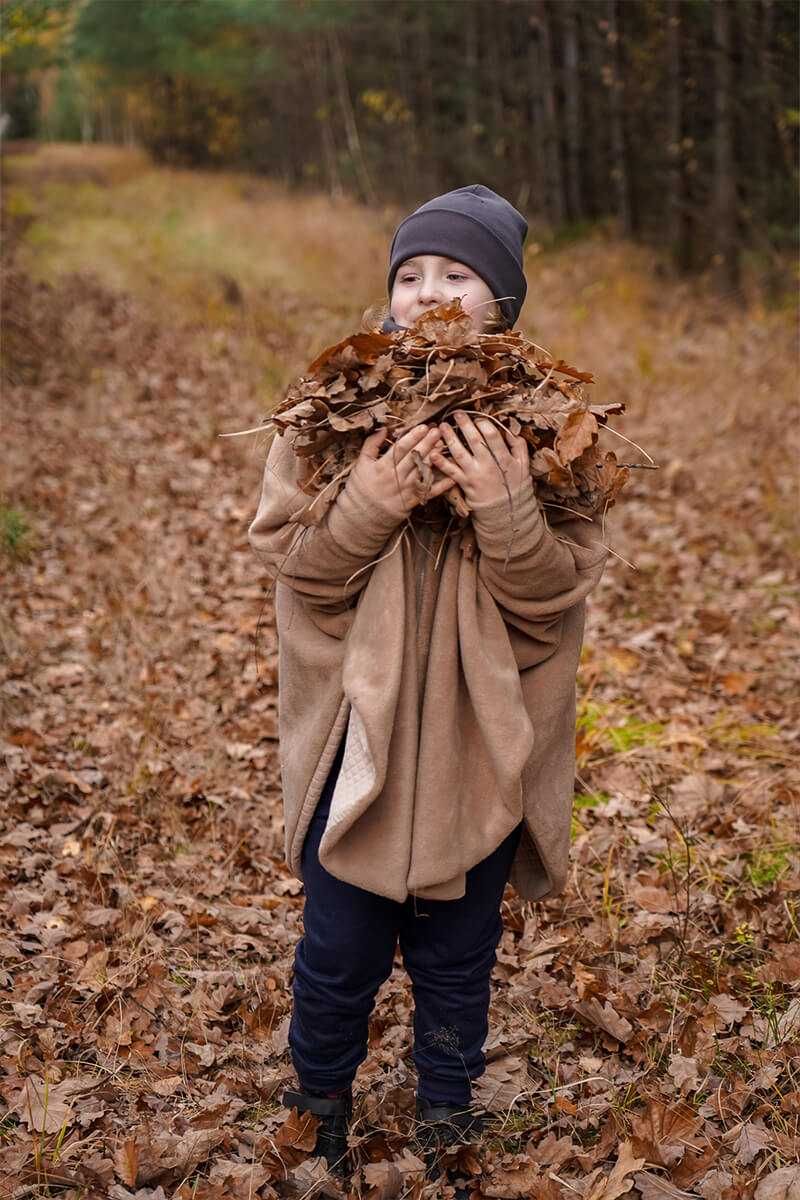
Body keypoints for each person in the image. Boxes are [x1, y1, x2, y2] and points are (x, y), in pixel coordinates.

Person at [247, 185, 609, 1182]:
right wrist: (370, 499)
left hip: (475, 739)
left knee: (457, 959)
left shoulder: (542, 430)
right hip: (354, 739)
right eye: (410, 276)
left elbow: (550, 601)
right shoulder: (331, 415)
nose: (430, 294)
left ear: (502, 303)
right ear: (386, 295)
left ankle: (447, 1115)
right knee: (337, 953)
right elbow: (302, 573)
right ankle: (316, 1101)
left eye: (458, 276)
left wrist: (503, 508)